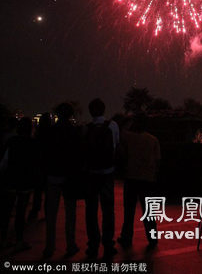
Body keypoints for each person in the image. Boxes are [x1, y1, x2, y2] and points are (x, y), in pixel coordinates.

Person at [43, 103, 81, 258]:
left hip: (52, 176)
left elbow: (44, 154)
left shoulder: (50, 132)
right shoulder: (74, 132)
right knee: (70, 214)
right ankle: (70, 245)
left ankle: (49, 247)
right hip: (69, 178)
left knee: (51, 215)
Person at [117, 113, 160, 249]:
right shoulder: (153, 140)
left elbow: (120, 132)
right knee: (148, 212)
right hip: (147, 179)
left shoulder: (127, 137)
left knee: (129, 211)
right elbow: (158, 160)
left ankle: (126, 237)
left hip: (131, 178)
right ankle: (152, 238)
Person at [83, 98, 118, 260]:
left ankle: (93, 245)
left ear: (91, 111)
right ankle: (108, 243)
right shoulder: (112, 126)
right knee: (108, 209)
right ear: (104, 110)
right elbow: (115, 147)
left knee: (91, 210)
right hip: (107, 172)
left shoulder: (86, 128)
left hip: (91, 174)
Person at [0, 117, 37, 252]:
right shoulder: (33, 143)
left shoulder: (12, 142)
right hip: (25, 182)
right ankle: (19, 240)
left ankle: (3, 239)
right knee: (21, 213)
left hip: (10, 181)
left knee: (6, 211)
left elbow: (4, 162)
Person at [28, 113, 52, 222]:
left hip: (39, 166)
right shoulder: (52, 134)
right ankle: (47, 213)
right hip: (49, 166)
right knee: (48, 192)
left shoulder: (37, 135)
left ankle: (35, 210)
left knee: (38, 191)